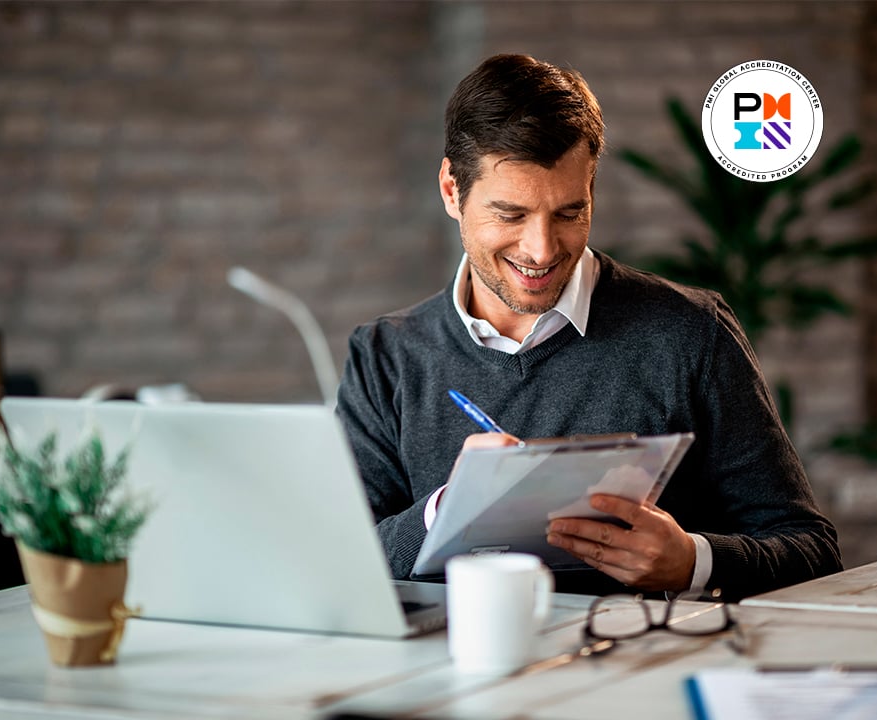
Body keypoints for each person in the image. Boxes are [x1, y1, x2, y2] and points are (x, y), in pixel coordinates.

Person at [336, 53, 842, 600]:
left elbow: (811, 550)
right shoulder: (385, 355)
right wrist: (446, 510)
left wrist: (691, 561)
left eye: (569, 213)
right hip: (461, 675)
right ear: (451, 191)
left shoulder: (690, 332)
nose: (542, 249)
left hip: (641, 673)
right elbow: (338, 559)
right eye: (511, 215)